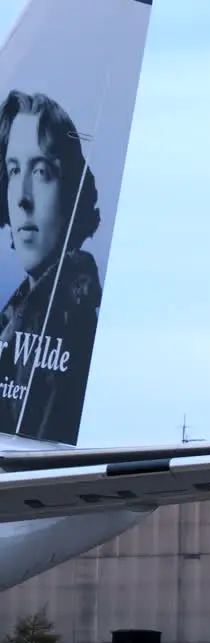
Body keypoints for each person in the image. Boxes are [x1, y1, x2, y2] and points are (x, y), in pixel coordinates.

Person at [0, 89, 103, 446]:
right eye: (14, 170)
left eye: (41, 171)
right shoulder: (19, 314)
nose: (22, 197)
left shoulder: (62, 318)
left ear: (73, 189)